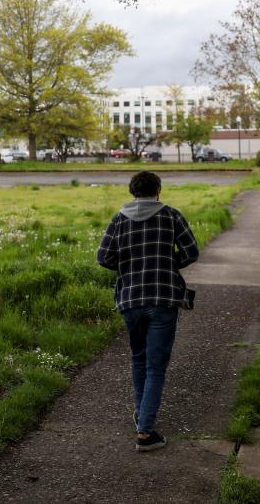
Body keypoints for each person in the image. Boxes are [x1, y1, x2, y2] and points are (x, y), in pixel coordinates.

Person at [96, 170, 199, 452]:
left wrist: (129, 267)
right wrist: (168, 262)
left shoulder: (119, 219)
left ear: (132, 192)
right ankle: (145, 432)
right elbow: (191, 252)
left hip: (130, 300)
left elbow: (103, 256)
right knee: (156, 366)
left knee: (139, 359)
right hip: (163, 299)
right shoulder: (171, 215)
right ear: (158, 191)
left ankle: (142, 415)